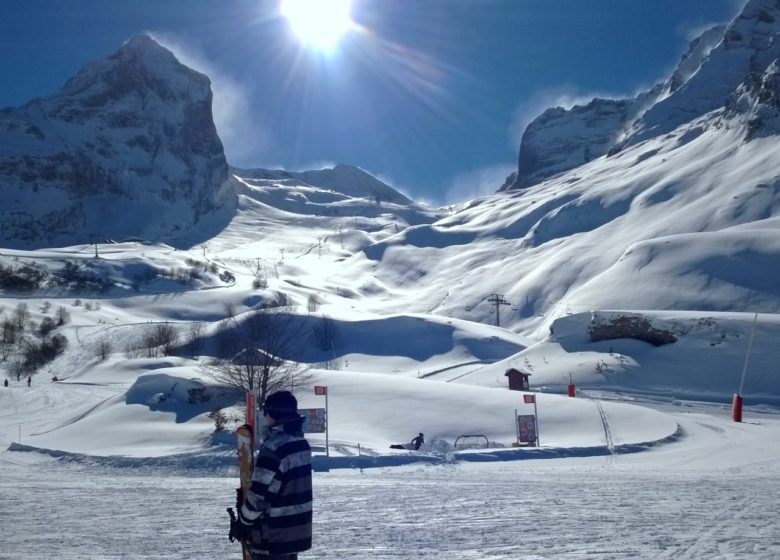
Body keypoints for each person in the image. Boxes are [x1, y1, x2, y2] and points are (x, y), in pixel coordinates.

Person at [230, 390, 313, 559]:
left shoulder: (273, 448)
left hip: (272, 537)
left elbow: (259, 497)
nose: (265, 416)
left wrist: (243, 522)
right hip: (295, 534)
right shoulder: (301, 444)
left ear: (273, 414)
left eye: (266, 412)